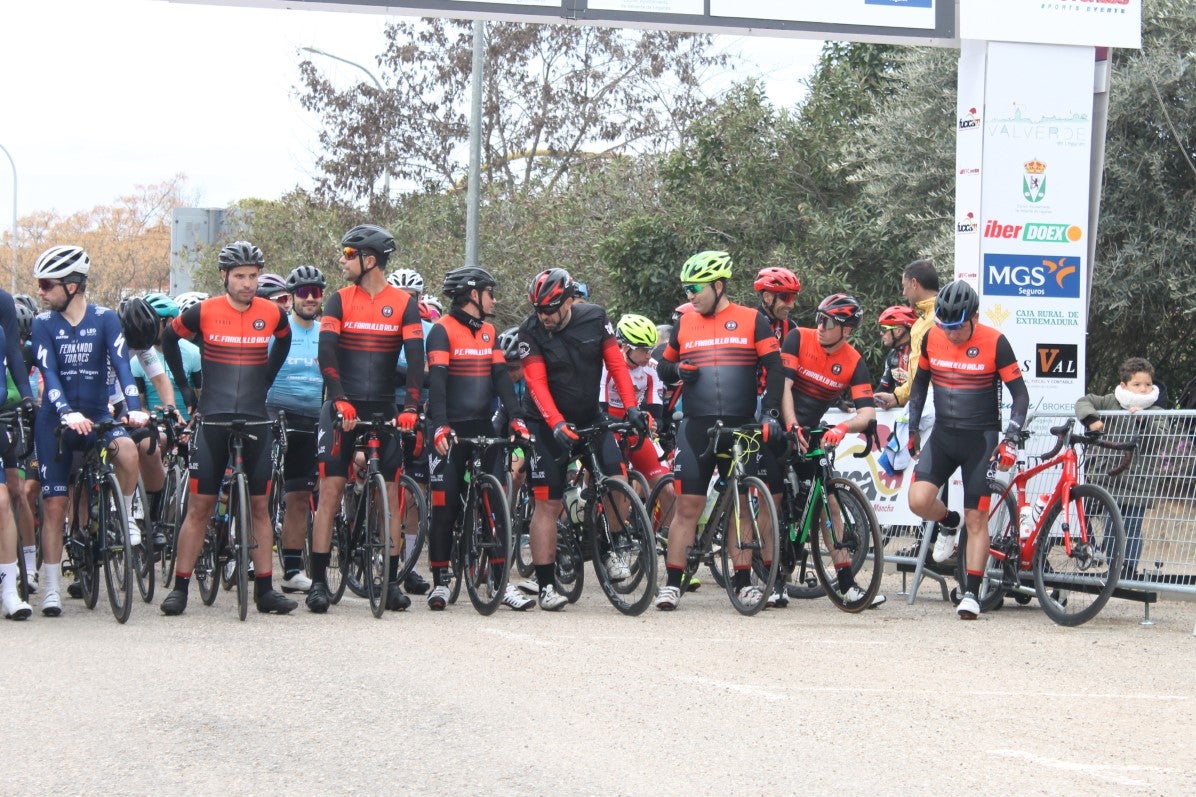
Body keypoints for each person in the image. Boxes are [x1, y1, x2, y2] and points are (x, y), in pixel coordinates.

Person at [158, 241, 296, 616]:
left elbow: (284, 341)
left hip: (256, 418)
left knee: (260, 507)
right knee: (200, 508)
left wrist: (267, 379)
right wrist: (186, 389)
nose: (248, 284)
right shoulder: (204, 311)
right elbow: (169, 338)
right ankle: (180, 588)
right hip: (213, 419)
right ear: (224, 276)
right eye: (240, 276)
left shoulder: (272, 312)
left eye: (253, 276)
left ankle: (265, 589)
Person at [653, 251, 785, 611]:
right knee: (688, 507)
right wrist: (678, 371)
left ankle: (742, 583)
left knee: (741, 504)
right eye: (687, 289)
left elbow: (775, 368)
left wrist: (771, 414)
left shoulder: (752, 319)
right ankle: (672, 583)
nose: (690, 295)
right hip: (697, 426)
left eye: (695, 288)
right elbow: (663, 368)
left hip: (741, 427)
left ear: (719, 285)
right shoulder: (685, 323)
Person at [306, 225, 425, 614]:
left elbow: (416, 362)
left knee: (390, 491)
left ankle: (389, 582)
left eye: (348, 253)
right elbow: (327, 355)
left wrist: (411, 408)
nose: (342, 260)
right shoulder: (339, 300)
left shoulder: (403, 304)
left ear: (369, 260)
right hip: (342, 405)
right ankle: (318, 582)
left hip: (383, 407)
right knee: (330, 489)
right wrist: (339, 400)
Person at [517, 267, 646, 611]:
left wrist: (631, 407)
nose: (544, 316)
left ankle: (612, 547)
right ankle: (546, 585)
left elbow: (616, 365)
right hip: (545, 421)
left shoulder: (595, 317)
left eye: (549, 309)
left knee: (617, 479)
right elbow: (536, 383)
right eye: (538, 310)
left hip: (589, 415)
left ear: (568, 302)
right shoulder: (531, 330)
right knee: (548, 502)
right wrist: (556, 423)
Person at [30, 245, 149, 617]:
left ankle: (125, 516)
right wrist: (66, 412)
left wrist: (134, 407)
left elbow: (122, 365)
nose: (40, 291)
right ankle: (51, 588)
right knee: (55, 506)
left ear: (72, 286)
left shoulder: (105, 319)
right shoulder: (42, 324)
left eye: (47, 284)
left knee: (128, 451)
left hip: (97, 415)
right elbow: (49, 375)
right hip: (56, 420)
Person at [905, 280, 1029, 620]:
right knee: (918, 501)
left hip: (981, 440)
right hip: (944, 436)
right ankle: (949, 522)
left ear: (974, 317)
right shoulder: (933, 337)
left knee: (977, 517)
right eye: (945, 326)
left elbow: (1020, 395)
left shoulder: (995, 342)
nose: (951, 333)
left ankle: (971, 593)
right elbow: (920, 384)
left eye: (958, 326)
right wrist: (913, 428)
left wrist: (1011, 438)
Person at [424, 266, 533, 611]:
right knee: (445, 505)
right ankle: (441, 581)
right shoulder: (442, 330)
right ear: (473, 294)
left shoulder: (489, 332)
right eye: (490, 293)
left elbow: (501, 378)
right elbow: (437, 383)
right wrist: (440, 425)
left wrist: (516, 418)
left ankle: (500, 582)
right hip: (449, 425)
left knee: (496, 506)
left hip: (482, 426)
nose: (494, 299)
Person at [779, 293, 884, 607]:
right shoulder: (798, 338)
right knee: (776, 498)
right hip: (781, 423)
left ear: (846, 330)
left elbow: (867, 413)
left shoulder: (853, 361)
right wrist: (791, 425)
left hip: (811, 431)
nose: (820, 327)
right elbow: (783, 387)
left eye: (828, 322)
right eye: (819, 319)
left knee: (830, 504)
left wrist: (842, 428)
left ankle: (848, 585)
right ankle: (774, 580)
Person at [265, 265, 329, 594]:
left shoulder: (326, 333)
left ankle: (291, 570)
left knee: (300, 497)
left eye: (315, 292)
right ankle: (250, 557)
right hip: (274, 412)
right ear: (291, 297)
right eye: (303, 292)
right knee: (261, 492)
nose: (310, 298)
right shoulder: (277, 330)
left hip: (311, 417)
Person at [1075, 356, 1165, 579]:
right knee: (1111, 525)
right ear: (1124, 385)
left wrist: (1143, 421)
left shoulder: (1155, 410)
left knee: (1132, 526)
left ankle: (1129, 569)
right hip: (1110, 479)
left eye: (1148, 384)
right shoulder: (1110, 401)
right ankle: (1114, 566)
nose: (1143, 389)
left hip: (1138, 483)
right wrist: (1091, 419)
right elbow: (1084, 401)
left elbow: (1160, 439)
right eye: (1137, 384)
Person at [385, 266, 433, 597]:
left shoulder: (431, 330)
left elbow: (434, 373)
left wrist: (402, 372)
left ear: (420, 298)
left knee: (417, 492)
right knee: (385, 487)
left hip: (419, 412)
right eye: (400, 296)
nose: (407, 302)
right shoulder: (382, 325)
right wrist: (414, 371)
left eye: (412, 297)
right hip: (387, 408)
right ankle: (380, 550)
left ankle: (411, 565)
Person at [873, 259, 939, 412]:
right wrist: (897, 397)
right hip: (922, 403)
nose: (903, 293)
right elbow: (918, 375)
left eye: (904, 286)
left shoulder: (938, 319)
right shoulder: (922, 321)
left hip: (934, 406)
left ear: (914, 284)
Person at [875, 305, 918, 394]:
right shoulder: (892, 353)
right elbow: (884, 386)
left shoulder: (918, 352)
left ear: (899, 331)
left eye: (884, 329)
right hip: (899, 401)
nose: (881, 333)